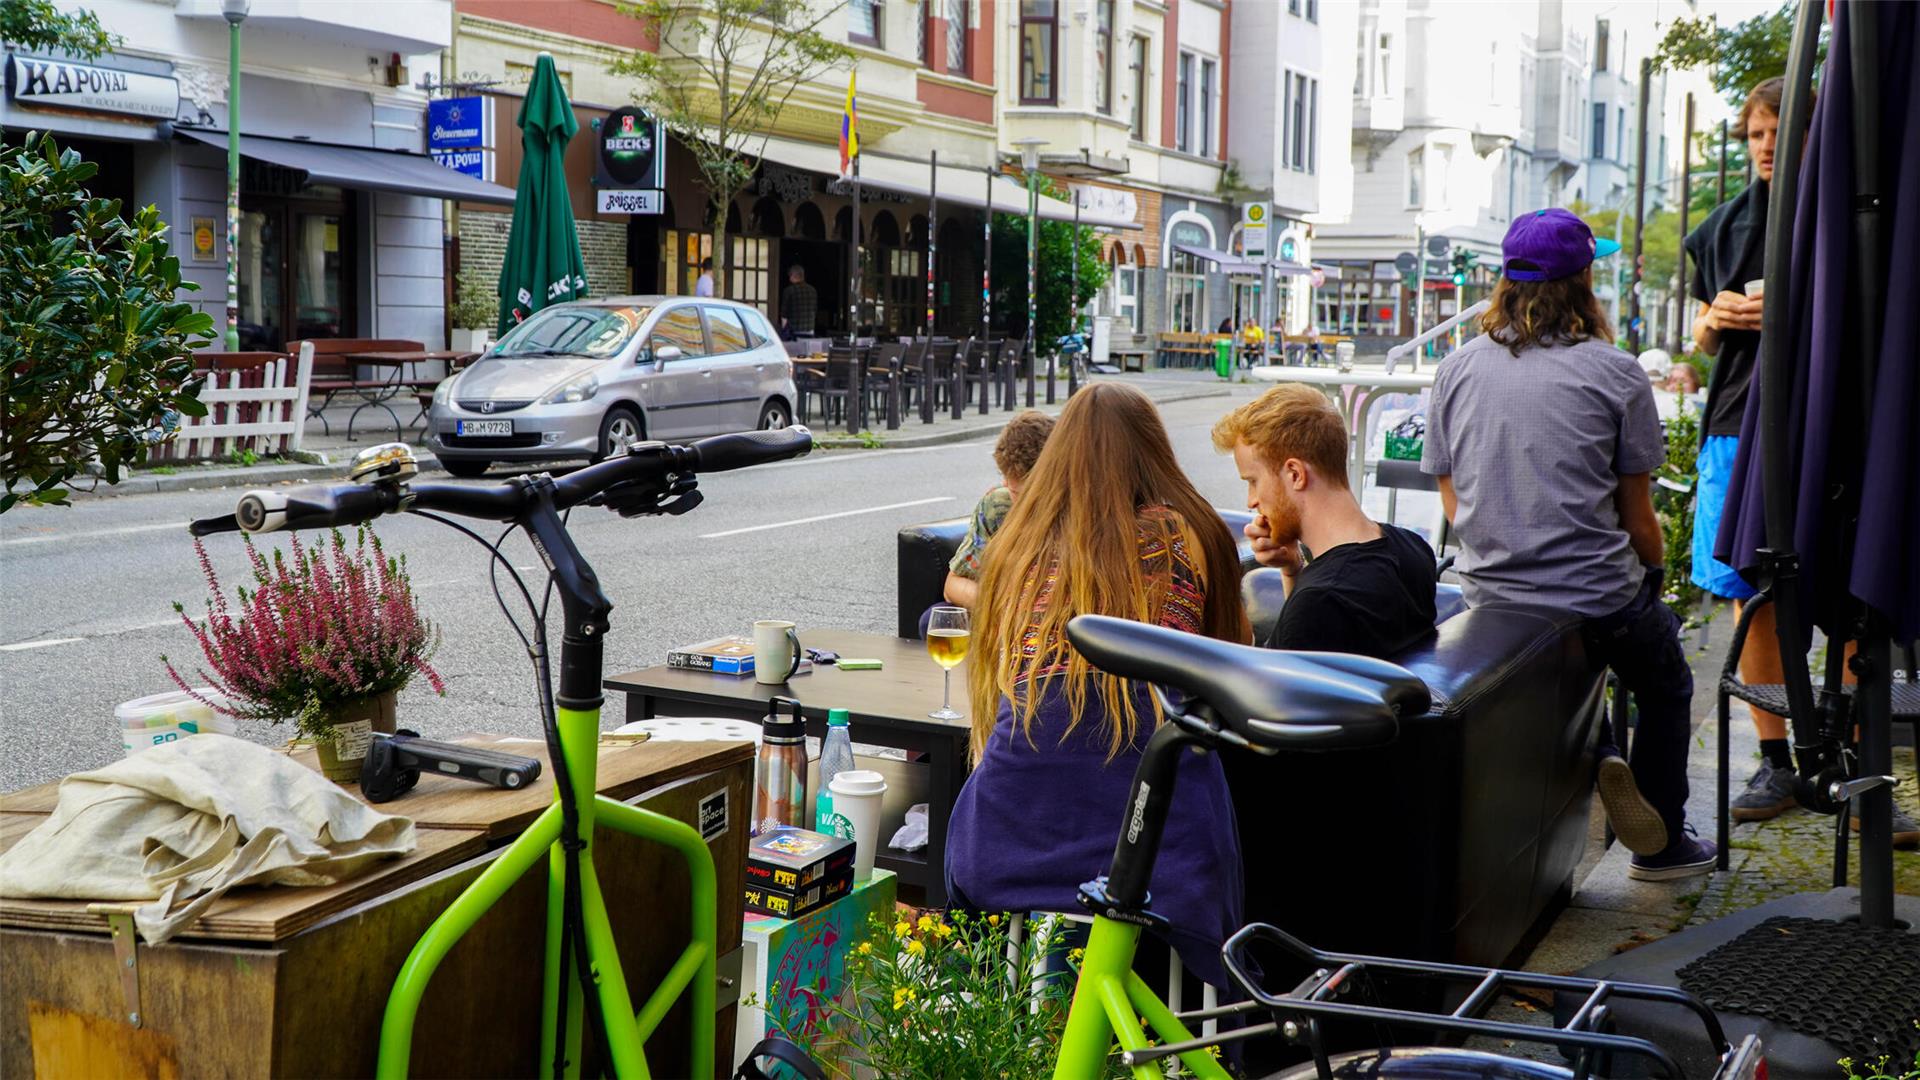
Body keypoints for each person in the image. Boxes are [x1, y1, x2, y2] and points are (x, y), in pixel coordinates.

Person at [1422, 207, 1715, 881]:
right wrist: (1653, 575)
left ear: (1505, 281)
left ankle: (1598, 748)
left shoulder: (1457, 368)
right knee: (1665, 683)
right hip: (1594, 598)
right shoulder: (1615, 373)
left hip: (1494, 603)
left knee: (1571, 656)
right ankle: (1661, 844)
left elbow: (1451, 497)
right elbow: (1639, 515)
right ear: (1584, 279)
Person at [946, 382, 1248, 988]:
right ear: (1152, 452)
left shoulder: (1018, 545)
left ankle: (1044, 1034)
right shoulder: (1191, 529)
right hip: (1159, 838)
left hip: (1009, 833)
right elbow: (1228, 672)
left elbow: (998, 692)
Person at [1212, 383, 1436, 655]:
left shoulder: (1321, 602)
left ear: (1295, 474)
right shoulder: (1414, 550)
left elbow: (1277, 691)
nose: (1251, 501)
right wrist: (1293, 568)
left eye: (1253, 481)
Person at [943, 410, 1055, 610]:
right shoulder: (999, 505)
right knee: (933, 618)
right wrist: (1005, 608)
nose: (1020, 502)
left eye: (1026, 494)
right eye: (1014, 491)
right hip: (1003, 613)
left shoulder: (1082, 513)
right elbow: (954, 585)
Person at [779, 265, 817, 339]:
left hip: (794, 332)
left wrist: (784, 332)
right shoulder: (813, 290)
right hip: (809, 330)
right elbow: (815, 311)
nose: (789, 278)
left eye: (790, 276)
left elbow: (784, 315)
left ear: (793, 276)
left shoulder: (789, 291)